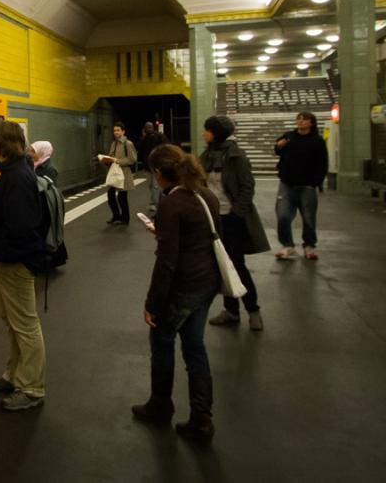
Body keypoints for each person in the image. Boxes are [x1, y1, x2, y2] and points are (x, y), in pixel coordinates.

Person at [132, 143, 221, 441]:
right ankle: (201, 418)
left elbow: (168, 261)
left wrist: (152, 304)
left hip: (182, 286)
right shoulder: (206, 194)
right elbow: (202, 237)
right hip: (206, 282)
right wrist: (164, 231)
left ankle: (160, 405)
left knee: (162, 343)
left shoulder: (171, 202)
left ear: (159, 173)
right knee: (195, 348)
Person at [0, 120, 47, 411]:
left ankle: (31, 388)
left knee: (26, 326)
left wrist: (1, 254)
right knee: (15, 324)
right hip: (8, 263)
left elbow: (21, 226)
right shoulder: (15, 173)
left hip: (14, 264)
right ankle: (15, 375)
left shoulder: (17, 177)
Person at [199, 116, 269, 331]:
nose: (204, 133)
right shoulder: (206, 156)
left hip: (232, 219)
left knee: (237, 265)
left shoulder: (235, 155)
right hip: (213, 219)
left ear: (217, 132)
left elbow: (248, 186)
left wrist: (237, 212)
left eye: (207, 130)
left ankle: (253, 310)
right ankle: (231, 311)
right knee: (221, 265)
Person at [274, 111, 328, 260]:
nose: (301, 122)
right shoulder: (289, 136)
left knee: (309, 217)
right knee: (283, 215)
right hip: (287, 183)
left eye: (305, 120)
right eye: (299, 119)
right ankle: (287, 245)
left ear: (311, 123)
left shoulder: (317, 140)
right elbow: (277, 150)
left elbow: (323, 163)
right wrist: (279, 145)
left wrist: (315, 183)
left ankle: (309, 246)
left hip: (307, 185)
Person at [101, 121, 137, 224]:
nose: (116, 132)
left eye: (118, 130)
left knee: (122, 197)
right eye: (114, 130)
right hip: (114, 173)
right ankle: (116, 216)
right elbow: (111, 156)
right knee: (110, 195)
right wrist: (106, 160)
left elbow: (133, 159)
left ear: (123, 132)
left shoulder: (128, 144)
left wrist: (118, 161)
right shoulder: (114, 143)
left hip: (124, 173)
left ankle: (125, 218)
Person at [137, 122, 168, 214]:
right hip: (148, 166)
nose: (149, 129)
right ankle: (159, 201)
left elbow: (166, 146)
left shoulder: (159, 136)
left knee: (155, 185)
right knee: (151, 185)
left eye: (149, 127)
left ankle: (154, 203)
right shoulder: (144, 139)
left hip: (157, 165)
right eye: (147, 128)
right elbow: (138, 148)